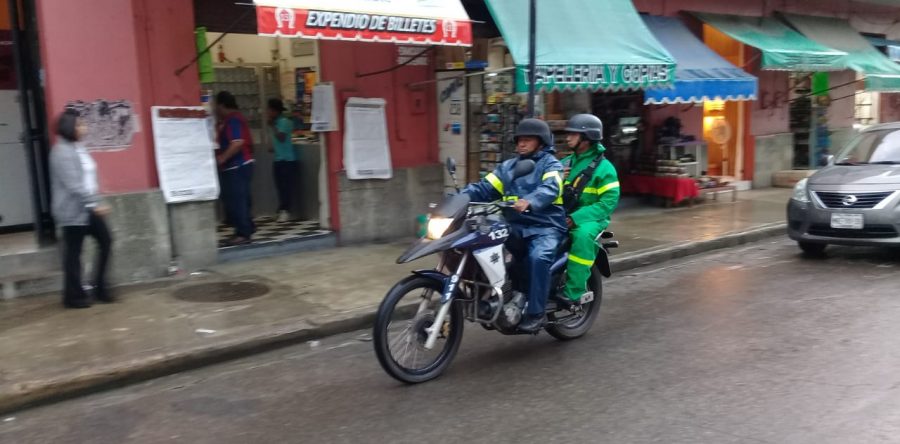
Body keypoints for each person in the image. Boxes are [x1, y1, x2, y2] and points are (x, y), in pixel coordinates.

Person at [462, 119, 566, 333]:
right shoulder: (508, 167)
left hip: (545, 226)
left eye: (527, 140)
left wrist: (530, 200)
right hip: (514, 226)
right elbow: (484, 188)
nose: (521, 144)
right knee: (485, 247)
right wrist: (457, 199)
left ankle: (536, 313)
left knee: (538, 257)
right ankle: (501, 296)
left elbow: (551, 187)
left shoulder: (550, 164)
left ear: (541, 142)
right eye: (519, 140)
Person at [50, 109, 113, 309]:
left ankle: (99, 287)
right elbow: (74, 185)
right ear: (69, 127)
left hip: (87, 207)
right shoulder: (61, 152)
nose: (83, 128)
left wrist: (95, 198)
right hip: (72, 210)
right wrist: (96, 203)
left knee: (106, 241)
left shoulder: (78, 148)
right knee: (74, 254)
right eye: (80, 125)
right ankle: (73, 297)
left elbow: (88, 178)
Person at [560, 114, 620, 302]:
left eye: (573, 134)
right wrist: (558, 178)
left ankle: (574, 292)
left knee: (582, 236)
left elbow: (607, 204)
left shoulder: (605, 169)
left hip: (591, 219)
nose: (567, 138)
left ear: (586, 138)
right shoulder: (564, 164)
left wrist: (576, 218)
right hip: (562, 214)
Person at [215, 91, 255, 246]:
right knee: (241, 198)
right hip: (239, 165)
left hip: (236, 166)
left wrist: (222, 159)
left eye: (216, 105)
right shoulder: (231, 119)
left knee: (236, 200)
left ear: (221, 105)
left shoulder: (233, 120)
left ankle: (243, 234)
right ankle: (247, 228)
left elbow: (237, 143)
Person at [267, 98, 297, 223]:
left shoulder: (285, 121)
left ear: (275, 110)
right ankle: (281, 209)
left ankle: (286, 211)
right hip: (278, 159)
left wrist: (273, 126)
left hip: (287, 160)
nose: (268, 112)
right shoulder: (275, 123)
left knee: (286, 187)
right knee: (280, 187)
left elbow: (281, 137)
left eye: (269, 110)